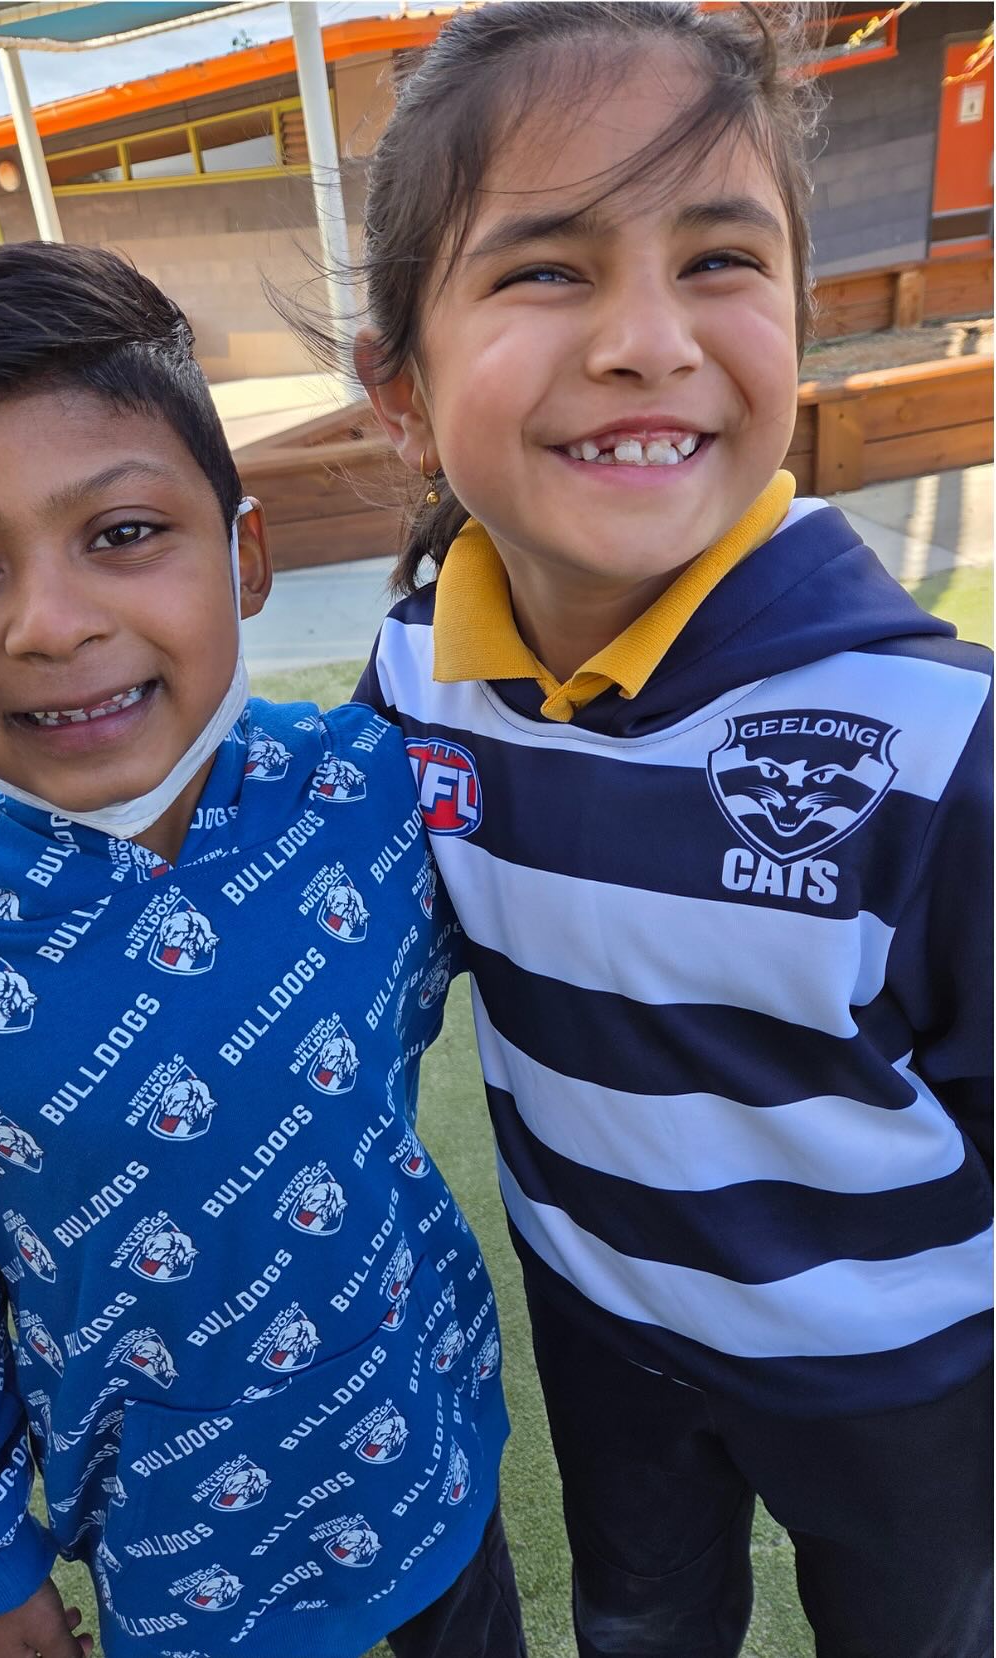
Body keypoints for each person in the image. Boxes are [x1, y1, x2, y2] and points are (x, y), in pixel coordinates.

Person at [340, 5, 993, 1656]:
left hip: (904, 1370)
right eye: (546, 267)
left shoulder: (942, 744)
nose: (647, 338)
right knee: (639, 1624)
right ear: (402, 393)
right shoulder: (412, 682)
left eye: (717, 258)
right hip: (602, 1318)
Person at [0, 243, 525, 1658]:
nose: (52, 623)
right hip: (181, 1562)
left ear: (245, 556)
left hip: (429, 1454)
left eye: (122, 531)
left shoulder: (372, 791)